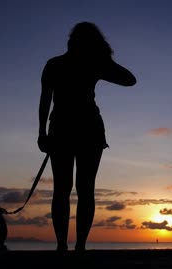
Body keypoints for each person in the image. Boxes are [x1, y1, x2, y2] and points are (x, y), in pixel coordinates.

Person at [37, 21, 136, 253]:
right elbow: (130, 79)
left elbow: (45, 102)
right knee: (83, 189)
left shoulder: (55, 64)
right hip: (85, 128)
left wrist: (42, 132)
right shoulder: (91, 64)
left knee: (64, 189)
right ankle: (77, 246)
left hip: (63, 128)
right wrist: (104, 60)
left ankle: (64, 246)